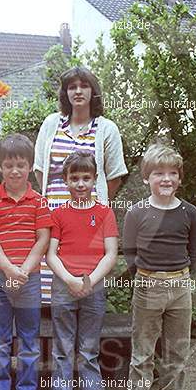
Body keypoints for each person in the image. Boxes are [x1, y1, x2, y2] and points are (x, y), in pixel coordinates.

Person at [34, 66, 128, 303]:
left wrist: (92, 204)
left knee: (87, 280)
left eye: (83, 86)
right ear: (65, 93)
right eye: (72, 87)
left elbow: (114, 176)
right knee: (52, 281)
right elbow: (39, 170)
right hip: (54, 214)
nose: (78, 91)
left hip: (90, 217)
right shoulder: (51, 124)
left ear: (92, 91)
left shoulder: (107, 129)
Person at [123, 143, 196, 390]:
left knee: (177, 346)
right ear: (146, 178)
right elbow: (129, 251)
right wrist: (143, 276)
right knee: (143, 346)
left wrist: (183, 276)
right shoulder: (136, 212)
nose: (166, 179)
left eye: (172, 173)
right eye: (158, 173)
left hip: (180, 286)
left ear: (179, 178)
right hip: (146, 285)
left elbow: (194, 250)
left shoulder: (190, 213)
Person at [0, 134, 53, 390]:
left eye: (21, 165)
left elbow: (43, 239)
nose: (15, 171)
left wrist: (23, 271)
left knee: (28, 340)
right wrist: (10, 269)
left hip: (29, 280)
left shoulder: (39, 202)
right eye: (9, 165)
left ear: (30, 166)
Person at [46, 151, 118, 390]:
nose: (80, 184)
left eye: (85, 178)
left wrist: (90, 280)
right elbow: (51, 254)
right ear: (65, 180)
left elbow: (111, 253)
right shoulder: (59, 214)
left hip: (94, 286)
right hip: (64, 285)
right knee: (63, 345)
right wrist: (70, 279)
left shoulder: (104, 213)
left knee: (89, 345)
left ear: (95, 180)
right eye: (74, 178)